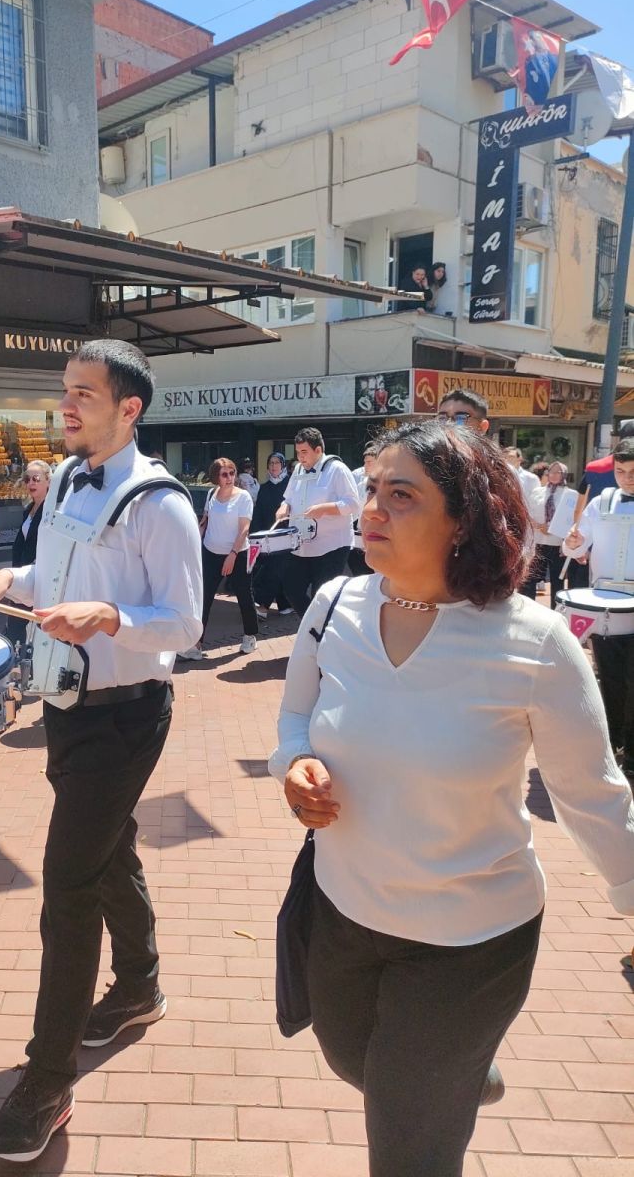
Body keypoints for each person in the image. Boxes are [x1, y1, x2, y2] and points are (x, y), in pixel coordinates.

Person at [273, 420, 634, 1177]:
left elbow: (592, 796)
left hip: (471, 941)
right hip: (341, 912)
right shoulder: (333, 605)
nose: (373, 508)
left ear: (465, 520)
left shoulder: (535, 643)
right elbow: (296, 712)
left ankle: (443, 1079)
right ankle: (458, 1077)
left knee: (407, 1142)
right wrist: (295, 761)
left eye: (401, 495)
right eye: (373, 488)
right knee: (350, 1058)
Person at [0, 340, 202, 1163]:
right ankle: (139, 986)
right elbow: (56, 579)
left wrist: (108, 618)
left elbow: (184, 623)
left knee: (67, 885)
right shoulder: (66, 477)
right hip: (64, 706)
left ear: (129, 409)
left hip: (127, 717)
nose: (65, 406)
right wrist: (12, 582)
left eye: (84, 395)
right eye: (65, 391)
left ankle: (48, 1078)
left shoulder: (161, 504)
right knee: (109, 850)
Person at [564, 437, 634, 777]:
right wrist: (573, 543)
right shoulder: (601, 502)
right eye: (621, 472)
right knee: (610, 678)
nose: (627, 479)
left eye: (633, 472)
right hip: (606, 606)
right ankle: (614, 745)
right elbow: (575, 548)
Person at [179, 456, 258, 660]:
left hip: (238, 553)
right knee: (203, 597)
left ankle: (250, 636)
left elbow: (244, 529)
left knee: (244, 595)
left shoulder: (243, 497)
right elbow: (205, 521)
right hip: (211, 552)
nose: (229, 477)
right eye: (224, 474)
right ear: (216, 477)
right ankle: (196, 644)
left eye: (232, 473)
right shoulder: (211, 494)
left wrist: (233, 555)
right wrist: (193, 541)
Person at [275, 427, 360, 616]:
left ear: (318, 450)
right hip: (302, 544)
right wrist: (284, 507)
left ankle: (321, 629)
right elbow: (288, 498)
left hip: (331, 546)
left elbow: (353, 504)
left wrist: (324, 509)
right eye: (298, 452)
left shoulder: (337, 469)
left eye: (304, 452)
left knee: (321, 596)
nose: (300, 457)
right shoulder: (298, 469)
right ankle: (314, 626)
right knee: (292, 589)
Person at [4, 460, 51, 655]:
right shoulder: (28, 510)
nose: (31, 483)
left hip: (40, 574)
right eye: (27, 479)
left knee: (37, 625)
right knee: (15, 621)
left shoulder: (52, 511)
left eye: (36, 479)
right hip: (24, 571)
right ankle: (17, 656)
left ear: (48, 481)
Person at [251, 452, 292, 619]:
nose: (274, 466)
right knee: (275, 568)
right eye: (271, 463)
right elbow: (259, 513)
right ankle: (285, 604)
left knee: (276, 569)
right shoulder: (264, 488)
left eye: (277, 463)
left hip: (286, 536)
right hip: (268, 536)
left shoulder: (290, 485)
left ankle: (263, 604)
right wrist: (256, 535)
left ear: (283, 465)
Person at [524, 461, 570, 607]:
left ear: (564, 474)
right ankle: (529, 609)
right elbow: (528, 513)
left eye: (558, 472)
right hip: (538, 542)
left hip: (558, 543)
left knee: (557, 580)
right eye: (551, 472)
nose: (554, 475)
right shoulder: (538, 492)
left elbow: (570, 519)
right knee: (531, 579)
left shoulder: (570, 495)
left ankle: (557, 610)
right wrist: (539, 526)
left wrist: (551, 527)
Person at [349, 444, 375, 577]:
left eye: (369, 462)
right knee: (359, 571)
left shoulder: (389, 483)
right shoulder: (361, 483)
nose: (365, 465)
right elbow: (355, 509)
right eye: (365, 462)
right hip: (359, 535)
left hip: (376, 534)